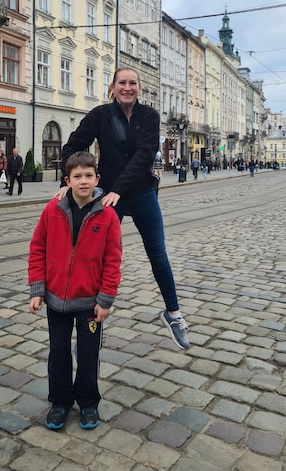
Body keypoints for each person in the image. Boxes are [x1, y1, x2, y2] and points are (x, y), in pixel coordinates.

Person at [57, 67, 189, 350]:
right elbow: (72, 146)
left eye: (133, 83)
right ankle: (89, 313)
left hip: (140, 193)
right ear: (113, 87)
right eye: (122, 83)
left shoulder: (150, 117)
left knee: (158, 253)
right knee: (94, 253)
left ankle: (173, 314)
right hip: (108, 197)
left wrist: (118, 189)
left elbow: (144, 155)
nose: (127, 87)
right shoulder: (100, 115)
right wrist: (67, 180)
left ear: (139, 88)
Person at [29, 151, 122, 431]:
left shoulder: (108, 216)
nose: (84, 181)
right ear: (67, 180)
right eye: (78, 176)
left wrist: (105, 300)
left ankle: (88, 403)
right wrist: (37, 289)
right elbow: (38, 249)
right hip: (56, 300)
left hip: (90, 304)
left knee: (88, 353)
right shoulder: (52, 210)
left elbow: (112, 260)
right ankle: (59, 402)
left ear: (97, 179)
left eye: (89, 176)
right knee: (58, 352)